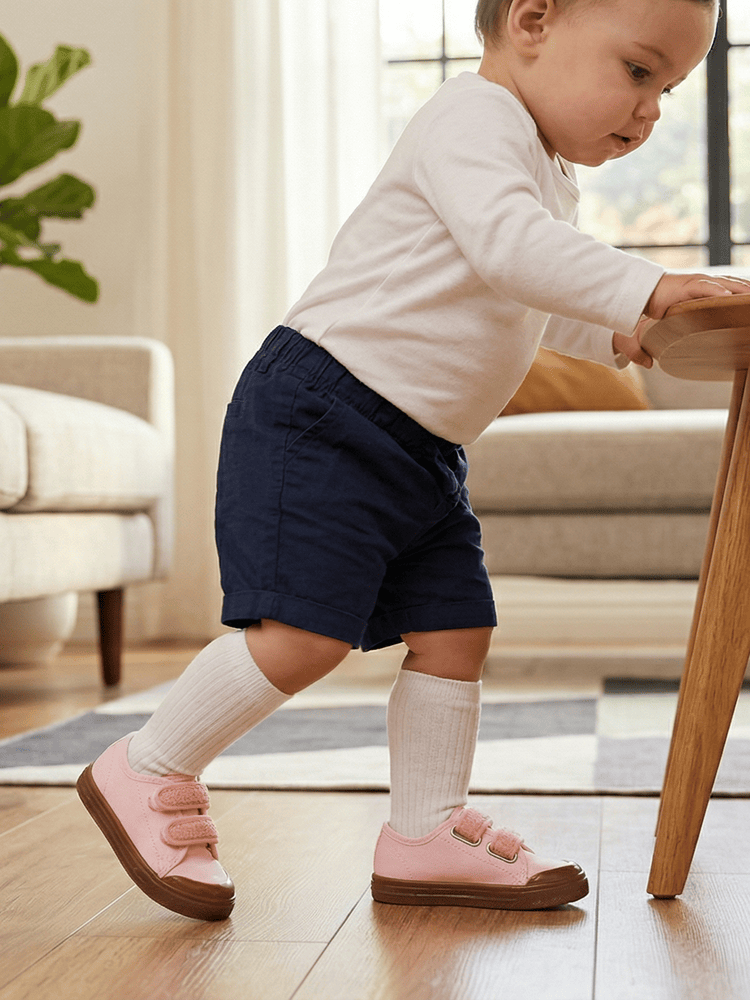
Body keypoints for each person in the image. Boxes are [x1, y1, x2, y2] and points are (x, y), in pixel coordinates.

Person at [77, 0, 748, 921]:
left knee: (455, 633)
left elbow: (524, 297)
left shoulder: (545, 174)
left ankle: (423, 831)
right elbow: (512, 251)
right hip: (326, 411)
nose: (651, 113)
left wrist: (621, 326)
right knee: (305, 634)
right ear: (532, 20)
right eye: (638, 72)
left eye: (668, 89)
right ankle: (147, 763)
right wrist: (647, 283)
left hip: (421, 449)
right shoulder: (472, 120)